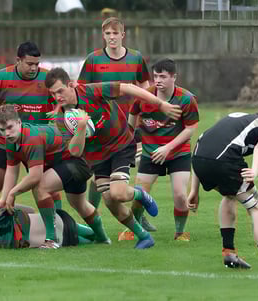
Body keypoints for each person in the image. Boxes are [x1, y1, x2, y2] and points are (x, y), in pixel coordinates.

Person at [45, 67, 182, 249]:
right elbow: (75, 152)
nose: (57, 97)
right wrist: (80, 128)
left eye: (60, 91)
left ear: (71, 85)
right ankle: (143, 236)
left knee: (118, 193)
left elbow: (127, 88)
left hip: (121, 145)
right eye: (53, 94)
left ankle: (141, 195)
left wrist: (160, 104)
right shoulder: (61, 118)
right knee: (110, 200)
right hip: (97, 159)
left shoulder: (91, 91)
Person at [187, 99, 258, 272]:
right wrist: (254, 170)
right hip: (222, 161)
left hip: (198, 159)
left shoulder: (239, 117)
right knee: (255, 206)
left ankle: (228, 252)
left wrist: (194, 189)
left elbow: (203, 142)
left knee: (229, 195)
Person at [0, 104, 109, 249]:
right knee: (79, 205)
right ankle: (102, 238)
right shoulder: (11, 141)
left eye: (10, 127)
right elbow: (12, 170)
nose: (7, 133)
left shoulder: (31, 138)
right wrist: (3, 198)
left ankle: (52, 239)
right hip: (66, 163)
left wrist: (13, 193)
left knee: (40, 187)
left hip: (78, 162)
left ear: (19, 122)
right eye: (2, 130)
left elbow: (35, 176)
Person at [0, 41, 63, 209]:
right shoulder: (2, 76)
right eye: (29, 64)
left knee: (47, 188)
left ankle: (59, 226)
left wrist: (60, 109)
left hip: (37, 142)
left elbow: (65, 96)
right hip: (5, 139)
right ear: (18, 60)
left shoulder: (47, 78)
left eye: (37, 64)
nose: (33, 68)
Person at [77, 17, 155, 231]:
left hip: (130, 125)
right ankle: (91, 214)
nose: (111, 37)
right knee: (98, 175)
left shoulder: (136, 58)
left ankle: (139, 215)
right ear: (103, 36)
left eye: (115, 33)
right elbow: (81, 91)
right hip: (103, 127)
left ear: (123, 34)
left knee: (139, 171)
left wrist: (145, 111)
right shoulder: (93, 60)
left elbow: (145, 86)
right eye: (107, 34)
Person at [122, 58, 199, 241]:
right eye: (155, 76)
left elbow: (190, 128)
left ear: (174, 77)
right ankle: (135, 228)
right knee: (140, 194)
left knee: (180, 195)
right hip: (150, 152)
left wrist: (168, 148)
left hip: (178, 152)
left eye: (163, 76)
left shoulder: (186, 99)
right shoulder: (144, 96)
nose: (158, 80)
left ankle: (180, 233)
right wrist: (133, 143)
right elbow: (131, 119)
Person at [0, 206, 97, 249]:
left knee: (89, 242)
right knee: (94, 233)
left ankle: (97, 240)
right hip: (55, 222)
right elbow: (29, 209)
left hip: (59, 241)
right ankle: (102, 236)